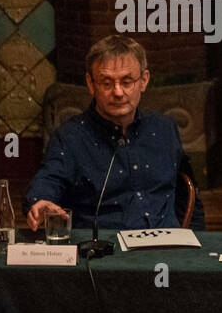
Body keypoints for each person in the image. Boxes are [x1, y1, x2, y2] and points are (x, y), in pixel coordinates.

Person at [24, 35, 204, 231]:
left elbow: (189, 196)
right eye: (107, 83)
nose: (118, 92)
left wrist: (195, 242)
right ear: (91, 84)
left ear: (143, 81)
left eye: (127, 82)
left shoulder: (164, 128)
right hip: (106, 252)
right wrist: (40, 201)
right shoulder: (70, 137)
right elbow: (49, 179)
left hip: (167, 249)